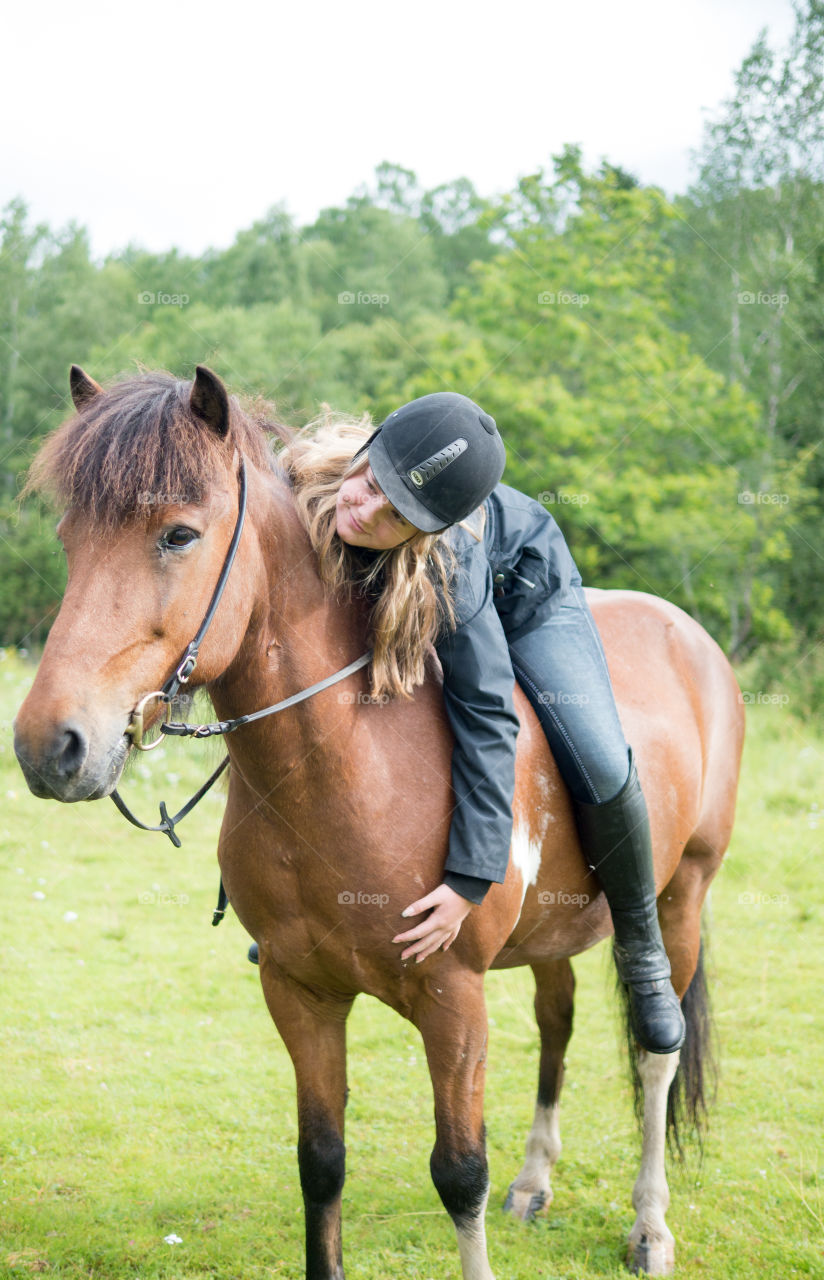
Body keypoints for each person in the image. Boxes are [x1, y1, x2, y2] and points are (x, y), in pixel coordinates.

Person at [250, 391, 684, 1056]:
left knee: (596, 752)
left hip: (528, 597)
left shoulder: (451, 566)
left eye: (393, 515)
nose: (361, 508)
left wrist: (468, 882)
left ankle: (643, 948)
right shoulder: (312, 478)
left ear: (423, 533)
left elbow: (486, 716)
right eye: (369, 483)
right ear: (366, 451)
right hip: (412, 585)